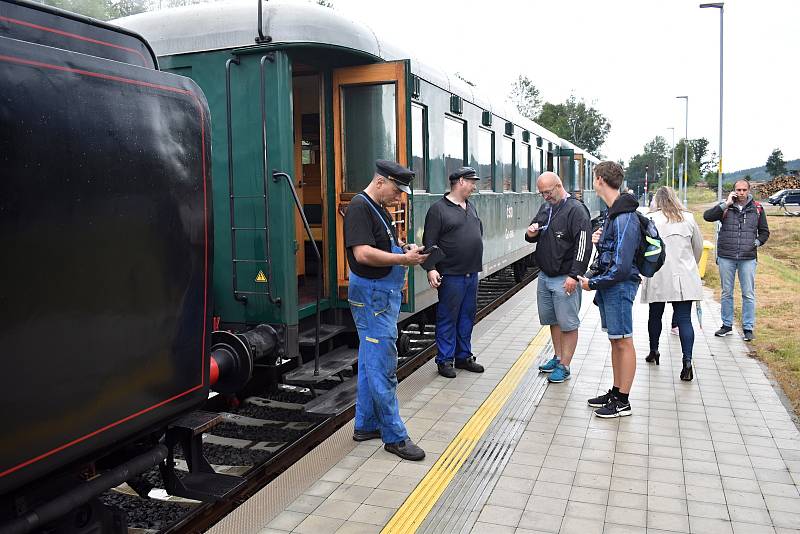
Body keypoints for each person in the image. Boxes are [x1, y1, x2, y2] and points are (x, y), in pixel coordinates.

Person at [344, 160, 429, 461]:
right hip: (373, 297)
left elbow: (382, 245)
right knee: (383, 366)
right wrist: (403, 261)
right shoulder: (359, 207)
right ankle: (394, 436)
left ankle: (366, 425)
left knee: (370, 359)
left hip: (379, 294)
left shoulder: (377, 208)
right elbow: (363, 253)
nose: (399, 197)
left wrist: (404, 249)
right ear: (380, 181)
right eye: (396, 190)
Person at [577, 161, 640, 418]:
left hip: (620, 285)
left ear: (600, 179)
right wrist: (600, 240)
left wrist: (593, 283)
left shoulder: (624, 216)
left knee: (624, 341)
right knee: (616, 340)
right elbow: (613, 251)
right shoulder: (614, 213)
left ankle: (623, 401)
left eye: (594, 178)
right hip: (611, 285)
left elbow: (623, 265)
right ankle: (616, 390)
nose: (593, 183)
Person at [525, 172, 592, 384]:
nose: (545, 197)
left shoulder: (576, 210)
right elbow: (532, 234)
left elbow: (584, 246)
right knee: (553, 320)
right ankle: (557, 357)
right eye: (542, 193)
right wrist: (531, 232)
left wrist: (575, 275)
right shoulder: (547, 207)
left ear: (559, 185)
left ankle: (565, 366)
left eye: (548, 192)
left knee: (568, 323)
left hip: (565, 278)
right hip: (545, 276)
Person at [423, 167, 485, 378]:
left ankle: (463, 356)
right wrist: (431, 268)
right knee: (448, 317)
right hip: (450, 274)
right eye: (471, 182)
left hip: (471, 273)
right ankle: (444, 360)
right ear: (460, 181)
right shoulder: (438, 210)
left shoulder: (471, 206)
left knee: (467, 316)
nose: (474, 186)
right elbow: (429, 242)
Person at [640, 187, 703, 381]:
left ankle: (654, 351)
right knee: (684, 319)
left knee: (655, 315)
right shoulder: (688, 219)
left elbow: (644, 248)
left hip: (658, 275)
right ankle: (687, 361)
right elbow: (698, 248)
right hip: (684, 277)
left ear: (656, 201)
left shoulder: (652, 219)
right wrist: (690, 265)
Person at [703, 179, 769, 342]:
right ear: (733, 191)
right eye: (738, 190)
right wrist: (726, 204)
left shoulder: (758, 208)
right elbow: (707, 217)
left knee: (748, 293)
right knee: (726, 292)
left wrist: (756, 243)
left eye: (744, 190)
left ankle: (748, 327)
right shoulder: (726, 206)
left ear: (749, 190)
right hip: (727, 256)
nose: (741, 193)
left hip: (748, 258)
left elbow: (764, 232)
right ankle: (726, 325)